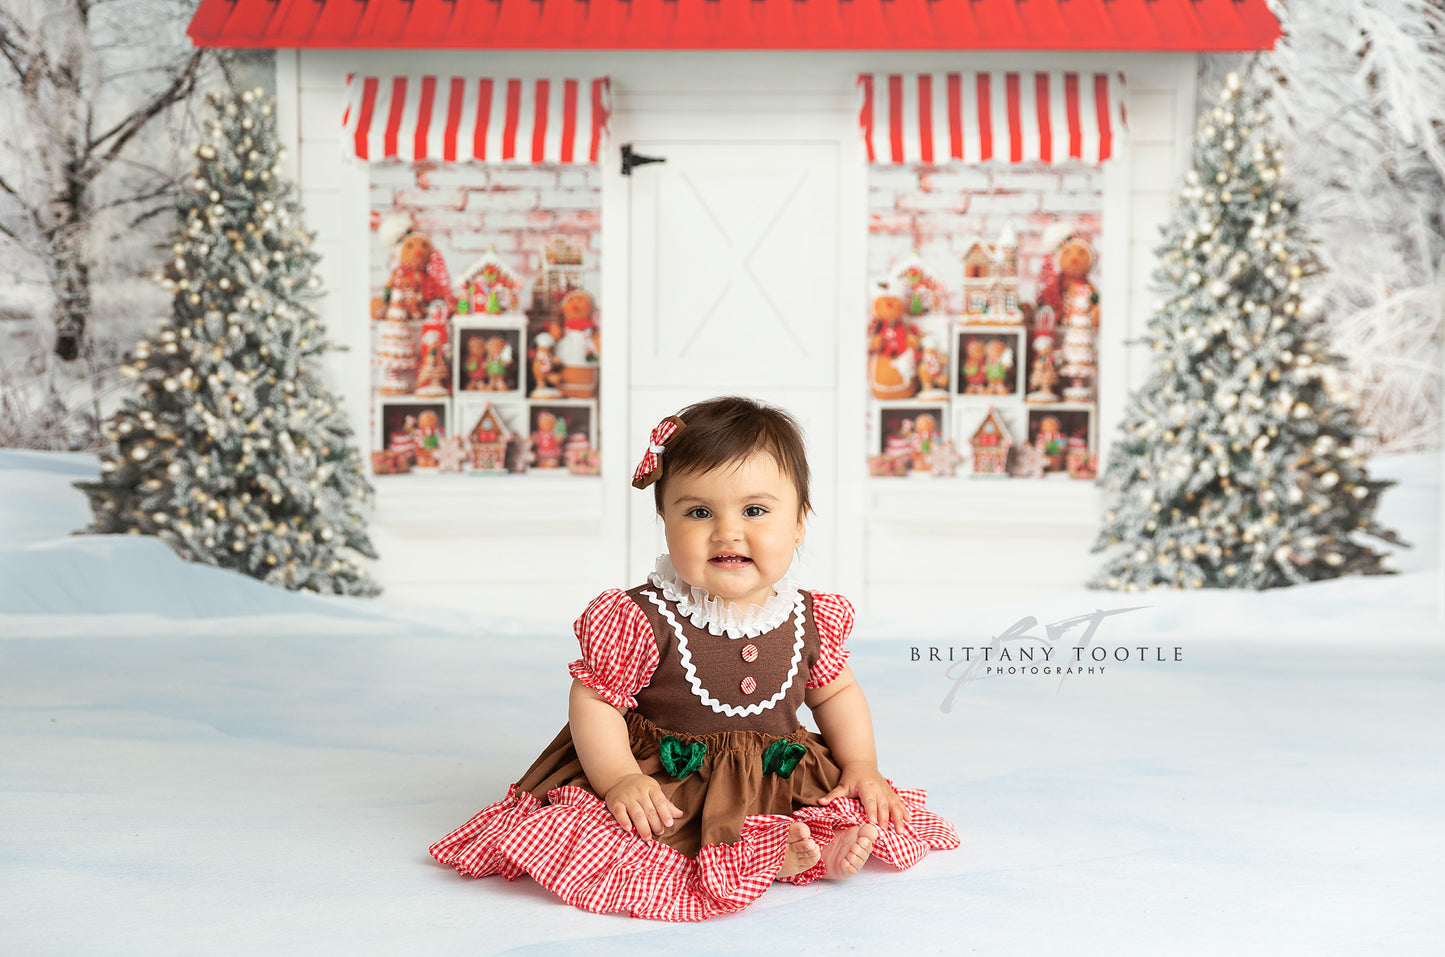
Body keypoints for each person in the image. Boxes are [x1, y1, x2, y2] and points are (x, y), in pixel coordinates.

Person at [429, 396, 958, 920]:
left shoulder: (810, 617)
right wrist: (617, 778)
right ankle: (757, 858)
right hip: (671, 777)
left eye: (755, 510)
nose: (727, 530)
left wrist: (862, 763)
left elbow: (836, 691)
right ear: (665, 521)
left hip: (773, 772)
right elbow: (595, 699)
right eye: (699, 511)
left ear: (799, 523)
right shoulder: (643, 616)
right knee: (640, 827)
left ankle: (802, 851)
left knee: (844, 800)